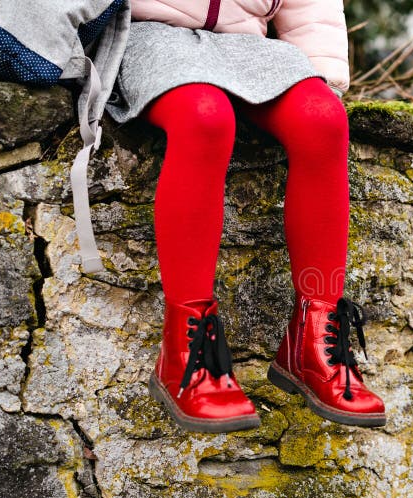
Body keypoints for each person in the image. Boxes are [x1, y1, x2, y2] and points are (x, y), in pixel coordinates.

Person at [105, 0, 386, 432]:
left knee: (324, 120)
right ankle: (187, 352)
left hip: (246, 44)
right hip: (146, 34)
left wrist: (320, 72)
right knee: (205, 118)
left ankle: (312, 339)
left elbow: (310, 6)